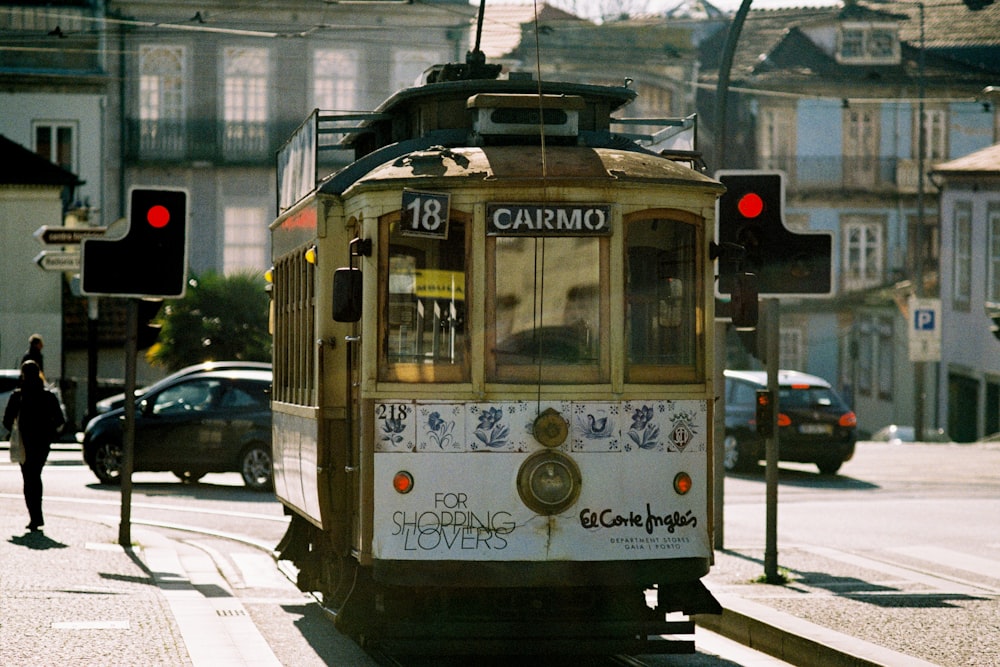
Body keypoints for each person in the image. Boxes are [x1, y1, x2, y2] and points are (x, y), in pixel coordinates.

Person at [3, 360, 64, 531]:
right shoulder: (48, 396)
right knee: (36, 475)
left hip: (25, 441)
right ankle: (37, 516)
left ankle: (35, 516)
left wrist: (16, 428)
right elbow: (60, 420)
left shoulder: (18, 396)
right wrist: (50, 433)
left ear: (23, 374)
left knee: (29, 478)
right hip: (42, 442)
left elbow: (7, 421)